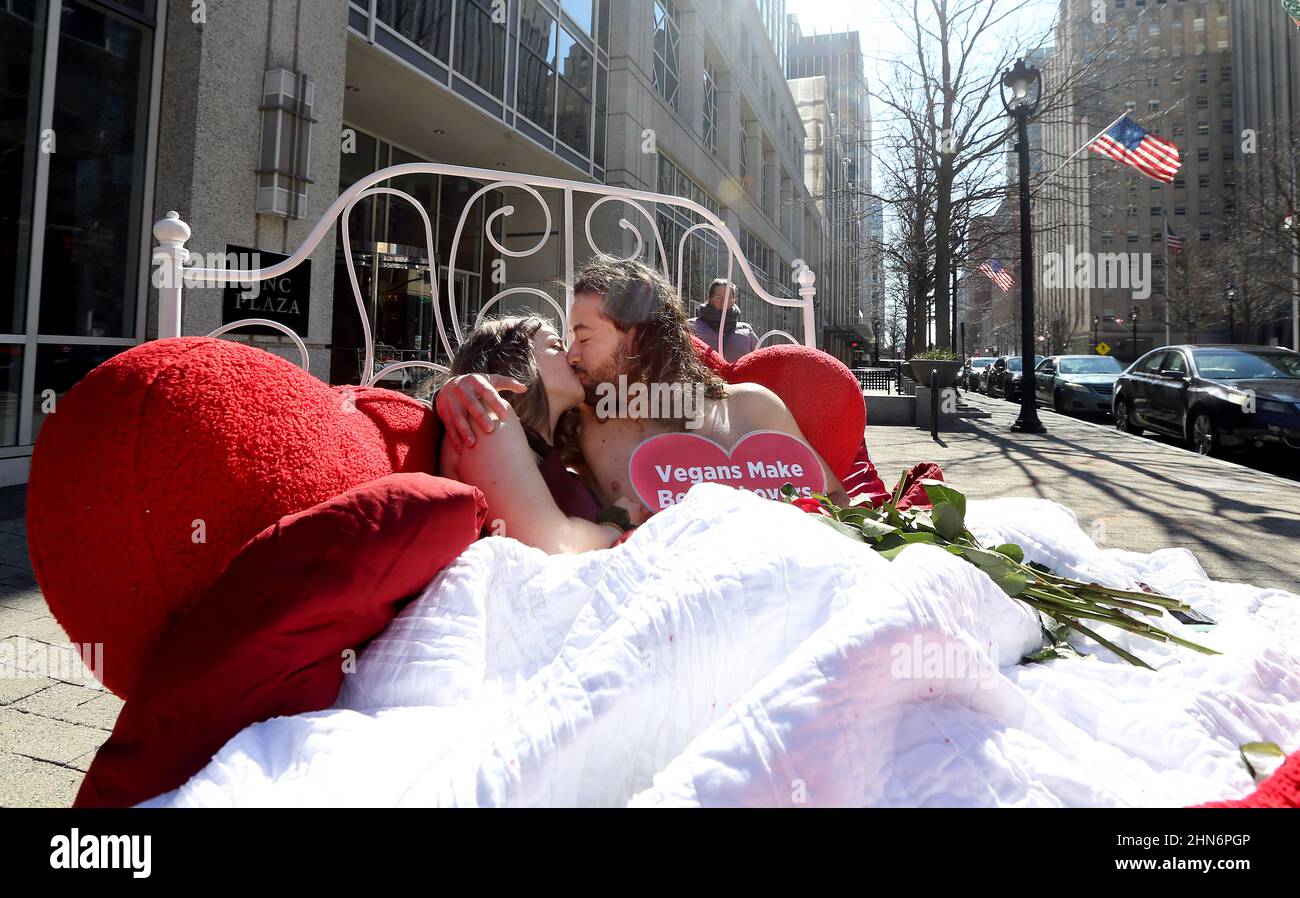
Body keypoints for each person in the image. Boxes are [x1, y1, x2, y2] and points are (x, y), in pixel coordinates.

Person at [436, 259, 849, 553]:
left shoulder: (756, 407)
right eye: (565, 342)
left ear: (635, 334)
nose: (573, 355)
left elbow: (836, 501)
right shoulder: (584, 426)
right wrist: (454, 389)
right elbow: (515, 450)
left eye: (584, 336)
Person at [437, 316, 637, 554]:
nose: (572, 356)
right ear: (515, 362)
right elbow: (551, 545)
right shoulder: (487, 419)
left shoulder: (556, 453)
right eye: (556, 346)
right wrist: (617, 524)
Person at [687, 278, 760, 363]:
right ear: (709, 299)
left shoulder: (746, 330)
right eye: (718, 298)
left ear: (734, 301)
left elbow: (760, 359)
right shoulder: (691, 326)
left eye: (728, 298)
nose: (723, 302)